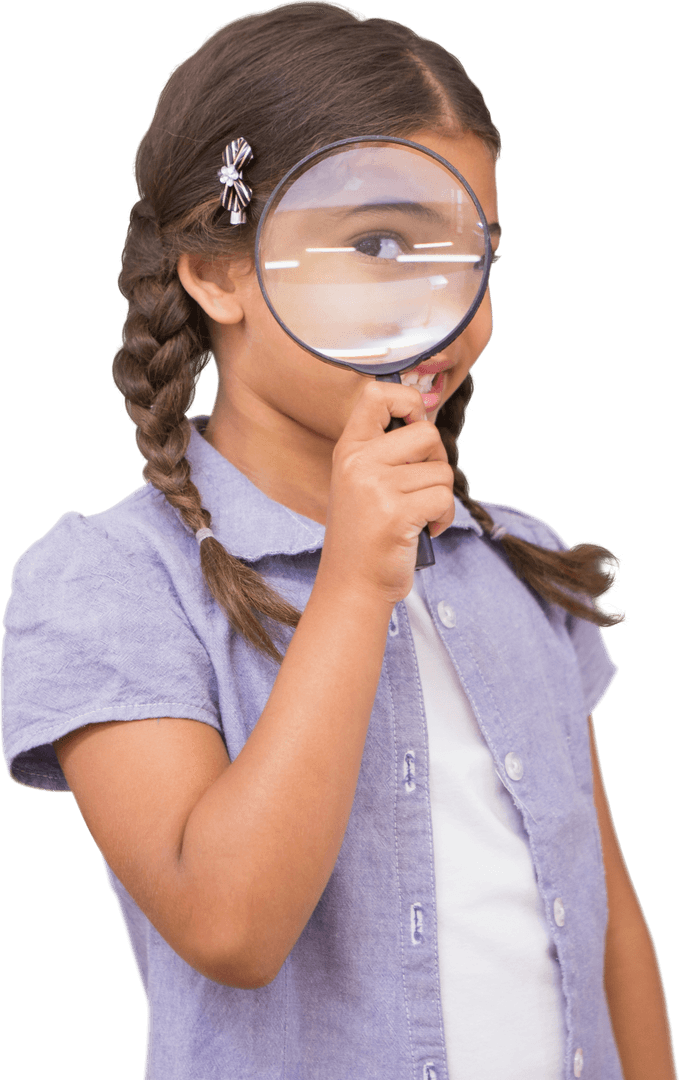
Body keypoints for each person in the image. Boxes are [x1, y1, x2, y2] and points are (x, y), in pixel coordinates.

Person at [1, 2, 676, 1078]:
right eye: (376, 243)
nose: (445, 301)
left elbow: (611, 939)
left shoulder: (515, 560)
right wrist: (354, 585)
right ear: (218, 270)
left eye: (472, 254)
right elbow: (229, 926)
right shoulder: (107, 582)